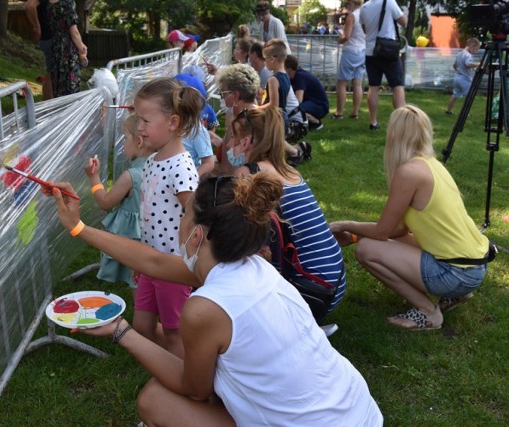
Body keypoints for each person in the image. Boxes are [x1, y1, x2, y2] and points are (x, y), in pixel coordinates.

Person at [43, 173, 383, 426]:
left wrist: (121, 331)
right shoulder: (254, 267)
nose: (180, 220)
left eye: (184, 213)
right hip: (359, 412)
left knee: (155, 400)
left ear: (198, 235)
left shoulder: (205, 308)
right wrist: (78, 227)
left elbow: (194, 390)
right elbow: (153, 262)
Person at [330, 105, 490, 330]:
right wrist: (355, 235)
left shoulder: (409, 173)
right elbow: (400, 231)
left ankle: (427, 312)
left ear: (394, 135)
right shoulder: (433, 165)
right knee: (370, 243)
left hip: (456, 274)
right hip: (473, 268)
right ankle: (455, 295)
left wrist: (344, 224)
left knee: (366, 251)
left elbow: (382, 232)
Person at [229, 106, 347, 318]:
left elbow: (239, 231)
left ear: (245, 142)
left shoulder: (248, 174)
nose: (229, 144)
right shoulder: (289, 170)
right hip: (333, 281)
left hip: (310, 291)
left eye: (232, 138)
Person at [131, 77, 203, 358]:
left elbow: (197, 218)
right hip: (152, 261)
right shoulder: (152, 160)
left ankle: (189, 375)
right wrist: (142, 257)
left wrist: (197, 265)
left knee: (174, 330)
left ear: (172, 123)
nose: (139, 128)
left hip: (173, 266)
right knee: (142, 324)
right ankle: (172, 362)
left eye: (145, 121)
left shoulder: (181, 168)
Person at [84, 114, 152, 300]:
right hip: (154, 241)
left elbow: (105, 202)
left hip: (134, 246)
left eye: (125, 138)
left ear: (138, 141)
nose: (123, 145)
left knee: (139, 293)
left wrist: (94, 178)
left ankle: (143, 326)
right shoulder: (159, 169)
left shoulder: (131, 176)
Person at [360, 0, 407, 130]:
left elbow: (365, 29)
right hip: (388, 50)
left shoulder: (364, 7)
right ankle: (400, 122)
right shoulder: (389, 2)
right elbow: (403, 21)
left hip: (371, 51)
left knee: (373, 86)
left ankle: (373, 122)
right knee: (397, 85)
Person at [174, 73, 215, 176]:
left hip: (186, 180)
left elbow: (209, 163)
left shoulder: (198, 130)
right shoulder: (172, 125)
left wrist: (193, 179)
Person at [332, 0, 366, 120]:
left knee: (342, 83)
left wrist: (339, 39)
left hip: (351, 50)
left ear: (352, 3)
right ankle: (355, 112)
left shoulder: (352, 16)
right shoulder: (366, 14)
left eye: (347, 4)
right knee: (357, 83)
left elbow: (346, 36)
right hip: (363, 50)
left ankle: (339, 112)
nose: (346, 7)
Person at [48, 0, 88, 97]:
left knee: (58, 83)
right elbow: (74, 32)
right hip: (67, 48)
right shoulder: (67, 3)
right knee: (70, 85)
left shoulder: (50, 5)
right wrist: (82, 48)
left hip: (56, 47)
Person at [285, 55, 330, 130]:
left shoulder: (300, 76)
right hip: (313, 103)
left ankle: (316, 123)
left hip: (320, 106)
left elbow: (298, 100)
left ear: (289, 69)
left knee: (295, 111)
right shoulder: (295, 75)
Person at [25, 0, 54, 100]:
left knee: (51, 72)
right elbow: (29, 5)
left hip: (49, 37)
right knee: (52, 72)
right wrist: (37, 27)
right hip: (48, 37)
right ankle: (49, 104)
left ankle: (49, 102)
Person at [446, 38, 480, 115]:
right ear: (472, 46)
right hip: (465, 79)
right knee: (469, 96)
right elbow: (468, 64)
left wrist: (459, 71)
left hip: (457, 78)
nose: (476, 51)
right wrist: (478, 64)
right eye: (476, 49)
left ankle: (448, 111)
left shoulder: (459, 54)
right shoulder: (468, 55)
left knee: (455, 95)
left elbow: (454, 65)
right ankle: (465, 113)